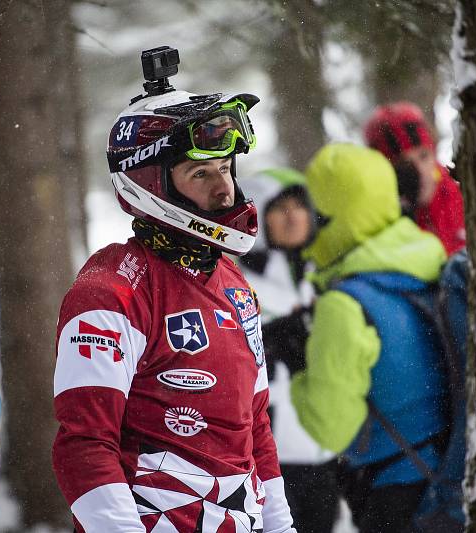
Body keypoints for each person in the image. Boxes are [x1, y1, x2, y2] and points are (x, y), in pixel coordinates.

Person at [52, 51, 296, 533]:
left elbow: (256, 429)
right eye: (201, 174)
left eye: (226, 168)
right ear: (151, 184)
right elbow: (83, 445)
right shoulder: (110, 291)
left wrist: (280, 525)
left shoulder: (235, 284)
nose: (224, 190)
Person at [288, 144, 449, 533]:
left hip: (395, 495)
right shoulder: (427, 260)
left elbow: (330, 429)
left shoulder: (344, 305)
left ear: (326, 218)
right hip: (449, 473)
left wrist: (297, 372)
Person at [237, 169, 340, 533]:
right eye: (280, 208)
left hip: (324, 455)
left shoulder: (323, 277)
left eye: (300, 205)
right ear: (258, 216)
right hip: (269, 462)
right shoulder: (236, 283)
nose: (294, 216)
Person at [364, 101, 466, 255]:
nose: (420, 171)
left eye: (424, 156)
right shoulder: (377, 224)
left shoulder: (465, 195)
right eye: (405, 165)